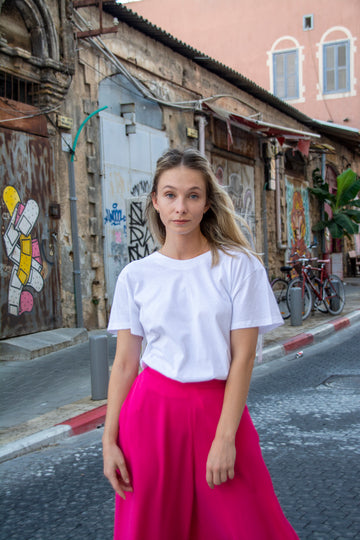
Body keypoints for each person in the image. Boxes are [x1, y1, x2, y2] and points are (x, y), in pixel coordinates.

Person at [103, 148, 300, 540]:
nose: (181, 207)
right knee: (153, 530)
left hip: (218, 411)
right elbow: (125, 364)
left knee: (248, 525)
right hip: (150, 417)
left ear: (207, 202)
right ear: (155, 201)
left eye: (193, 195)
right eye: (171, 195)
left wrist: (225, 438)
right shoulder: (135, 277)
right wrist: (109, 441)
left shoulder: (239, 265)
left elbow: (243, 359)